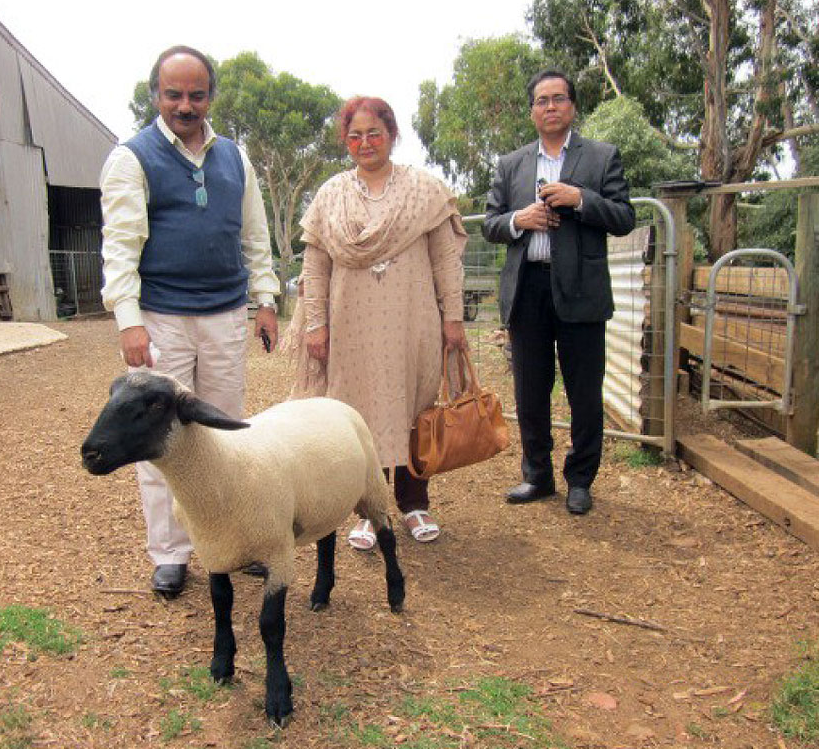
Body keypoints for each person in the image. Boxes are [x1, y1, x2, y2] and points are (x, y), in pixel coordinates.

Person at [99, 45, 280, 598]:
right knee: (162, 439)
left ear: (209, 97)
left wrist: (265, 298)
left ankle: (230, 542)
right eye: (173, 93)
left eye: (196, 94)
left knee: (225, 433)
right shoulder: (132, 158)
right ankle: (172, 553)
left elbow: (255, 236)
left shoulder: (235, 158)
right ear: (156, 94)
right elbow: (121, 246)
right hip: (162, 318)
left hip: (224, 314)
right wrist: (129, 321)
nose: (185, 104)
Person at [284, 96, 467, 549]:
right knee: (358, 414)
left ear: (392, 135)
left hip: (413, 323)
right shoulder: (331, 195)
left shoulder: (424, 190)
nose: (365, 142)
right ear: (346, 142)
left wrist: (454, 319)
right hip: (352, 326)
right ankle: (367, 509)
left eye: (374, 133)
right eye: (355, 135)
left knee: (413, 406)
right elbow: (315, 266)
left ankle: (414, 503)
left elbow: (446, 260)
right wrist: (315, 325)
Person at [482, 69, 635, 516]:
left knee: (584, 393)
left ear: (572, 106)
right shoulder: (510, 164)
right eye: (542, 100)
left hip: (582, 290)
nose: (550, 107)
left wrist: (580, 199)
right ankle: (537, 475)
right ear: (531, 111)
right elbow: (491, 223)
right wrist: (519, 221)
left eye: (559, 99)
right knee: (531, 391)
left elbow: (624, 217)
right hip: (527, 287)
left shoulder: (602, 158)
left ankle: (580, 481)